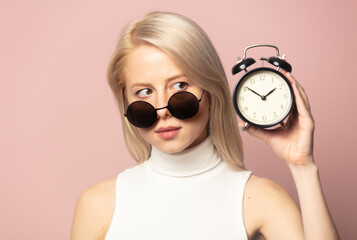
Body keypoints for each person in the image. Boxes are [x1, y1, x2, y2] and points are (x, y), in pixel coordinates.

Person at [70, 12, 340, 240]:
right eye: (144, 92)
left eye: (180, 85)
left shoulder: (261, 199)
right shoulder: (97, 205)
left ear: (211, 91)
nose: (162, 110)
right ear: (124, 100)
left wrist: (303, 167)